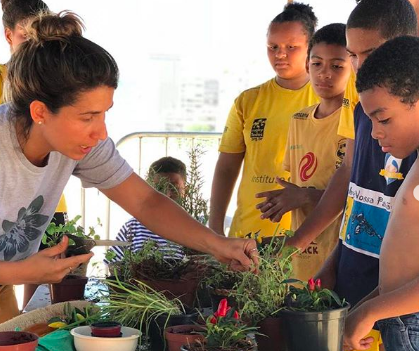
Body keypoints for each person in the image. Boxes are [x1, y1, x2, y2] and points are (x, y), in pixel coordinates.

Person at [0, 11, 258, 322]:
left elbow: (145, 201)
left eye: (104, 113)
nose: (101, 132)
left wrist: (218, 244)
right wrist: (22, 271)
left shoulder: (81, 144)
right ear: (40, 111)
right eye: (87, 117)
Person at [277, 0, 417, 349]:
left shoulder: (403, 124)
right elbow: (357, 194)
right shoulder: (363, 111)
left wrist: (371, 310)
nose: (359, 67)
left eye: (369, 53)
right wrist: (336, 267)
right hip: (372, 296)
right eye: (353, 55)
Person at [209, 3, 319, 239]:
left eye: (292, 47)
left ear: (310, 47)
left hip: (305, 237)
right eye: (273, 47)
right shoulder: (248, 101)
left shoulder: (328, 99)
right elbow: (227, 167)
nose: (280, 54)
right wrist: (215, 228)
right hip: (247, 234)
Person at [256, 23, 351, 281]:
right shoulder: (298, 119)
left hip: (336, 255)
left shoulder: (354, 120)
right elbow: (302, 182)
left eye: (337, 66)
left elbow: (353, 196)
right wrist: (286, 198)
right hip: (301, 255)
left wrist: (305, 197)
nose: (325, 74)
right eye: (317, 63)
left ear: (353, 66)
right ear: (307, 64)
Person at [344, 35, 419, 351]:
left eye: (384, 118)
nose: (374, 132)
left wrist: (372, 310)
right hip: (399, 317)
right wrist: (366, 308)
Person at [0, 0, 73, 315]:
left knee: (40, 283)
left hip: (45, 206)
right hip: (8, 207)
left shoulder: (61, 85)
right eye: (24, 38)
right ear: (8, 36)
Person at [107, 157, 187, 262]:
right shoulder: (133, 227)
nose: (167, 194)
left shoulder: (198, 228)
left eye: (174, 187)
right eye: (159, 188)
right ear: (148, 189)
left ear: (186, 190)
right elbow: (113, 263)